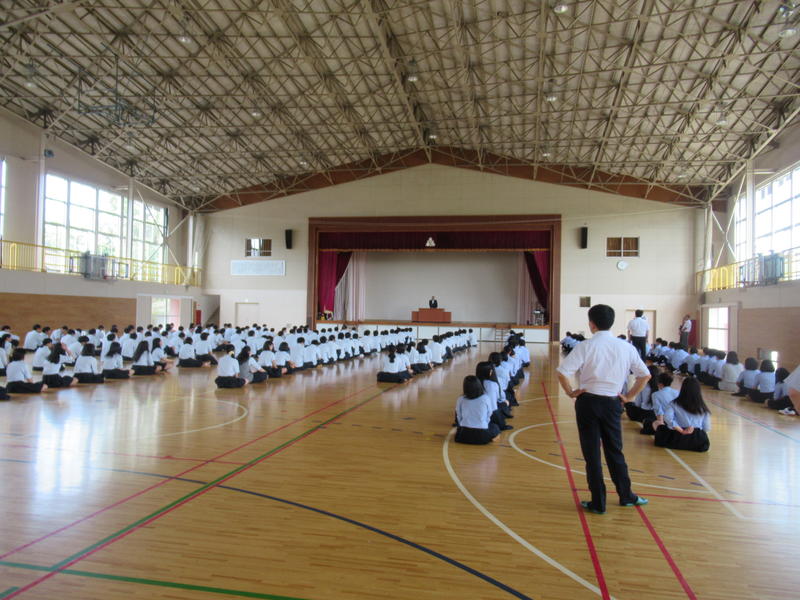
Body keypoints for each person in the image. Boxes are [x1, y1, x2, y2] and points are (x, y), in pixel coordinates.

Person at [556, 304, 650, 514]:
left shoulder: (586, 346)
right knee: (614, 450)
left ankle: (599, 502)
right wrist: (629, 396)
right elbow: (645, 375)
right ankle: (626, 495)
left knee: (592, 454)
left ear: (591, 324)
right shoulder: (626, 347)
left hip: (588, 402)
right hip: (612, 402)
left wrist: (571, 392)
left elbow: (562, 372)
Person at [653, 378, 711, 452]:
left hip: (678, 437)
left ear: (683, 388)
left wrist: (681, 431)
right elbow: (707, 428)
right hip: (698, 441)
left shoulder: (674, 403)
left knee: (657, 424)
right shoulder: (703, 407)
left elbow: (667, 418)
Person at [454, 375, 501, 445]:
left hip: (464, 435)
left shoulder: (460, 399)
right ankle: (491, 438)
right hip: (481, 435)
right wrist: (484, 423)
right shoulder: (485, 398)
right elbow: (489, 414)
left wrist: (463, 425)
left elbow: (459, 415)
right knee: (495, 427)